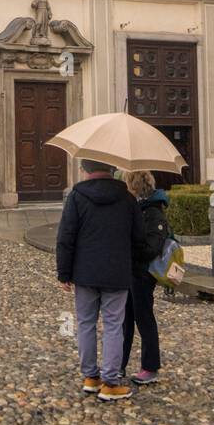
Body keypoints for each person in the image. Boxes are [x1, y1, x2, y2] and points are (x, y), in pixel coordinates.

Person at [56, 157, 148, 402]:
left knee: (85, 324)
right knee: (113, 325)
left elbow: (66, 236)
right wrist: (135, 268)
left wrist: (63, 273)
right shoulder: (127, 199)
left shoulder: (76, 197)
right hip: (116, 273)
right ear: (112, 168)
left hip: (84, 273)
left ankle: (90, 377)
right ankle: (110, 381)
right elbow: (139, 239)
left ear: (84, 169)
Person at [121, 170, 170, 385]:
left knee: (144, 319)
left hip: (143, 274)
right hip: (130, 271)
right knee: (124, 321)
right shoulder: (136, 209)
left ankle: (150, 367)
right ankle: (118, 364)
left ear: (136, 187)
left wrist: (130, 245)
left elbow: (151, 248)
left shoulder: (153, 212)